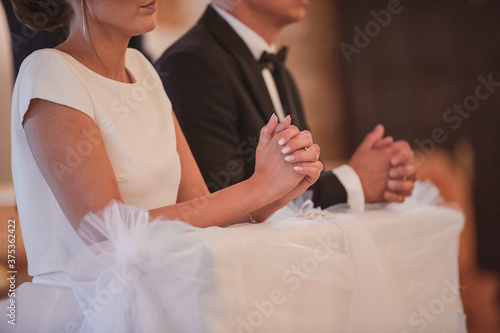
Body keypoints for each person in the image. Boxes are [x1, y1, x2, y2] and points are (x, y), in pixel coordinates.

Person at [1, 0, 322, 331]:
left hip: (168, 298)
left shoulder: (142, 69)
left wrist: (277, 190)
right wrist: (259, 187)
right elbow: (111, 233)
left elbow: (198, 205)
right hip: (87, 311)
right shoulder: (48, 71)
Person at [155, 1, 418, 211]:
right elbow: (219, 200)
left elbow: (295, 179)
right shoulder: (189, 63)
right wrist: (353, 180)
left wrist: (378, 173)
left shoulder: (279, 71)